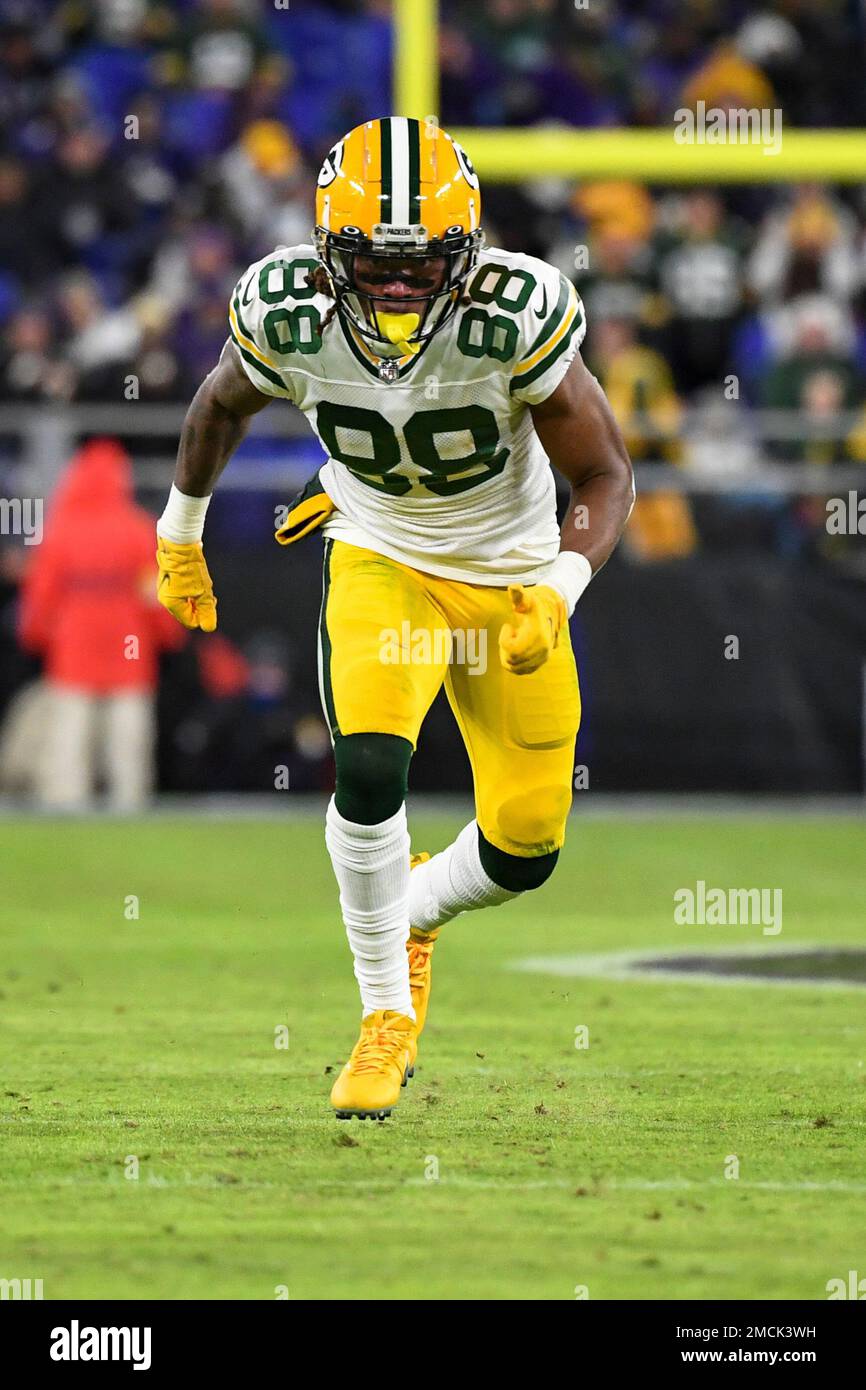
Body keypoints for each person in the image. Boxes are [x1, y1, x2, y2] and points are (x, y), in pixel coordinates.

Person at [155, 118, 634, 1119]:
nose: (402, 287)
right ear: (332, 252)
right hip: (381, 553)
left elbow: (603, 471)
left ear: (466, 254)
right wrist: (180, 530)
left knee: (524, 850)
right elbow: (215, 406)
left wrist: (558, 587)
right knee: (370, 766)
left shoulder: (516, 309)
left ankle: (408, 907)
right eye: (376, 263)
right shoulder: (284, 308)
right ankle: (384, 1019)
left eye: (425, 265)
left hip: (508, 578)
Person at [19, 438, 183, 810]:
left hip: (73, 650)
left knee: (68, 742)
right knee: (128, 743)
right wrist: (166, 635)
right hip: (129, 650)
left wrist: (36, 636)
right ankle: (130, 805)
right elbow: (156, 594)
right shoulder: (138, 529)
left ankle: (65, 808)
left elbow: (40, 597)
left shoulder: (60, 530)